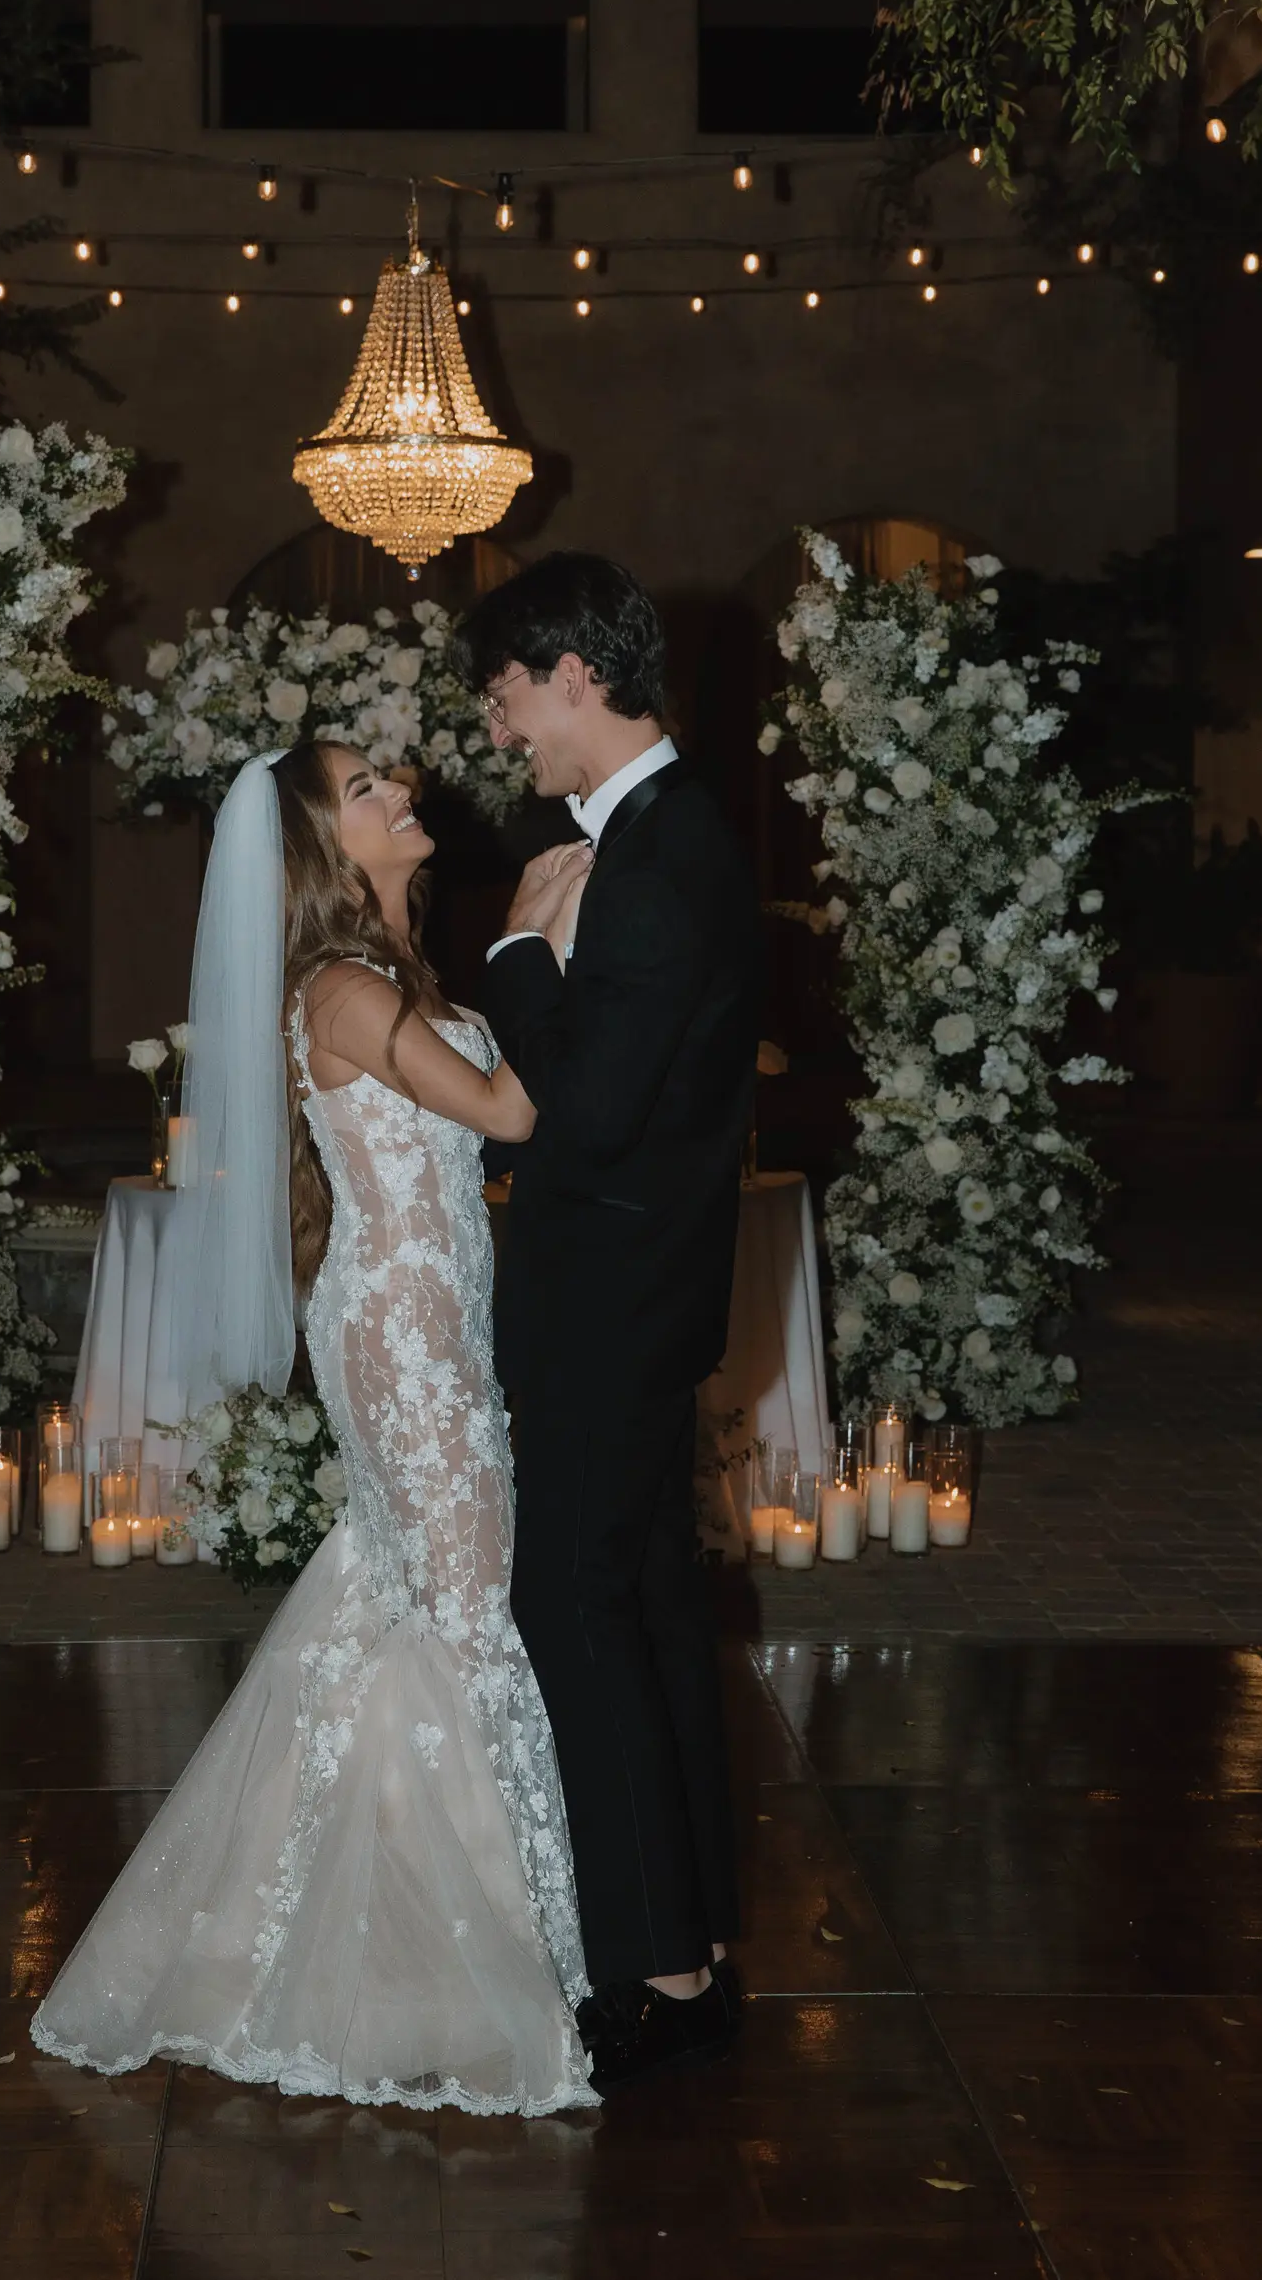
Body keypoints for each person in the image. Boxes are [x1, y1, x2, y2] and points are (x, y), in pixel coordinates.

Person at [31, 739, 598, 2114]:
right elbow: (514, 1109)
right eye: (366, 790)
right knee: (460, 1613)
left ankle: (322, 1921)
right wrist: (539, 939)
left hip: (430, 1321)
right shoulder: (341, 988)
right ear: (325, 852)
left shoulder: (390, 976)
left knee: (400, 1601)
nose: (402, 789)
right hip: (401, 1334)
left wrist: (524, 946)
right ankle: (442, 1963)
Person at [450, 552, 759, 2094]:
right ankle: (690, 1945)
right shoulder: (665, 839)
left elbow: (585, 1108)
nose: (502, 735)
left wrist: (512, 953)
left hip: (606, 1307)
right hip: (638, 1298)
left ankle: (660, 1971)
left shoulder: (647, 859)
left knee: (574, 1610)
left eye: (505, 701)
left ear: (572, 669)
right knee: (638, 1611)